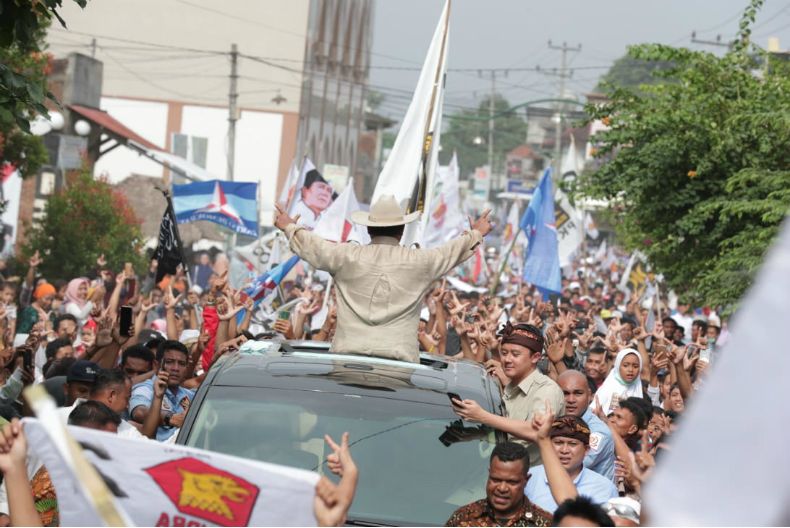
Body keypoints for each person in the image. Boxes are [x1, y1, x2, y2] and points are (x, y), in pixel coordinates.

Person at [274, 195, 491, 362]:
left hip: (346, 361)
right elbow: (450, 251)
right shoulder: (419, 261)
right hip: (399, 366)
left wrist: (289, 226)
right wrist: (476, 233)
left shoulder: (346, 256)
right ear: (402, 230)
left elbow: (314, 246)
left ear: (368, 229)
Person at [452, 322, 565, 466]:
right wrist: (476, 434)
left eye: (515, 354)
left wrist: (482, 416)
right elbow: (510, 434)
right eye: (504, 353)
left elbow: (537, 431)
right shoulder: (511, 386)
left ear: (535, 357)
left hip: (533, 479)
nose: (507, 359)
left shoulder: (547, 390)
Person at [445, 410, 577, 527]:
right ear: (489, 474)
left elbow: (574, 508)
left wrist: (543, 441)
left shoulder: (544, 523)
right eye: (496, 480)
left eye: (512, 482)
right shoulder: (462, 519)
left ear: (526, 480)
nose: (502, 488)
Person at [524, 416, 618, 513]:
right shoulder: (530, 478)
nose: (564, 450)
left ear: (586, 450)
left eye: (572, 444)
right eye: (558, 443)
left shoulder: (604, 488)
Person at [129, 340, 194, 441]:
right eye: (169, 362)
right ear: (156, 365)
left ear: (186, 367)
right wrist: (170, 418)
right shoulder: (145, 388)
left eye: (181, 363)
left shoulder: (189, 395)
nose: (176, 368)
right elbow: (139, 413)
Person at [557, 370, 615, 481]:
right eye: (565, 393)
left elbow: (569, 467)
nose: (571, 400)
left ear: (589, 396)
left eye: (578, 393)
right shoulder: (555, 421)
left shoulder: (599, 433)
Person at [591, 349, 642, 415]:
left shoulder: (638, 388)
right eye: (625, 365)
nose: (630, 370)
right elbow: (593, 411)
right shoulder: (608, 387)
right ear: (618, 366)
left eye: (635, 366)